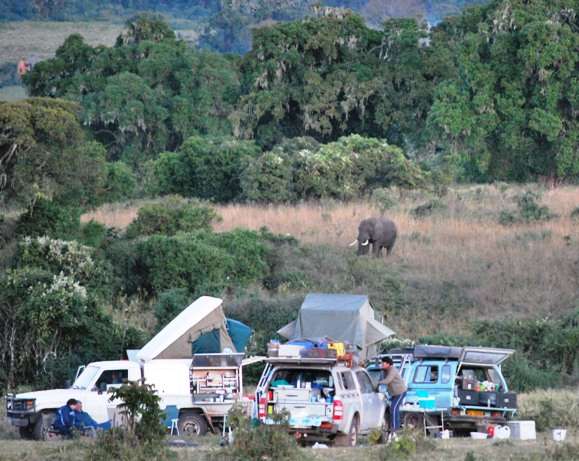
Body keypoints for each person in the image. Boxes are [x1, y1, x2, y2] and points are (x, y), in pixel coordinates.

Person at [379, 357, 407, 441]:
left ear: (388, 364)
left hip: (400, 392)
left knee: (393, 409)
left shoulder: (392, 370)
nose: (382, 365)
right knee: (395, 410)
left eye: (383, 363)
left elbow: (387, 380)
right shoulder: (385, 371)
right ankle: (396, 429)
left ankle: (394, 430)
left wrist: (378, 383)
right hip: (394, 394)